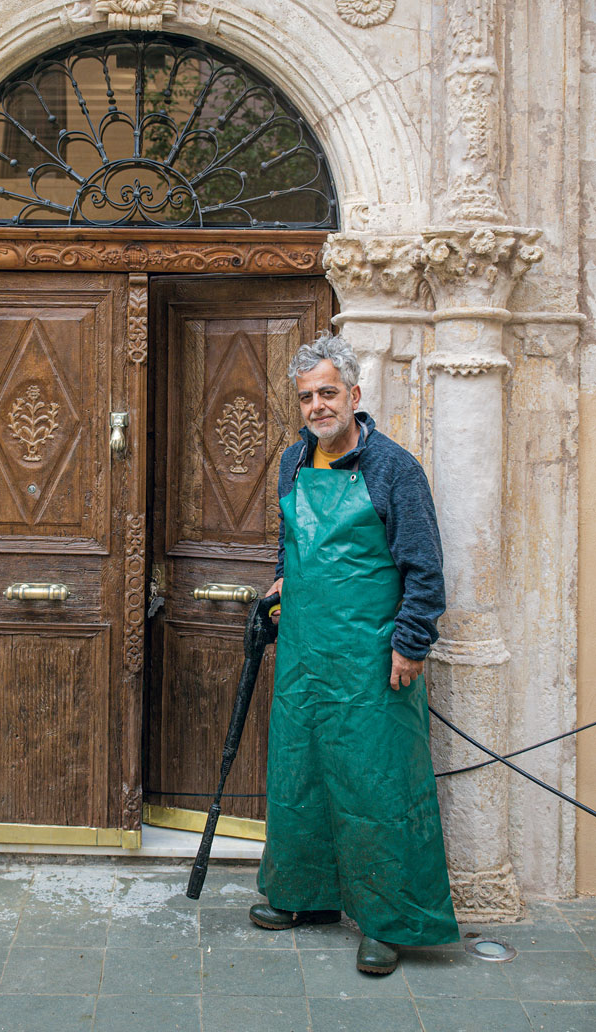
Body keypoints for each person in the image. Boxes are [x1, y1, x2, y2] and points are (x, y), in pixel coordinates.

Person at [250, 332, 459, 975]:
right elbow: (291, 540)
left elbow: (424, 569)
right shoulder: (292, 462)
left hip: (372, 660)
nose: (317, 405)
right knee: (302, 775)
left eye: (328, 392)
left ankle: (387, 922)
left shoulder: (395, 470)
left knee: (377, 784)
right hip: (307, 654)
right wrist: (284, 584)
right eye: (307, 396)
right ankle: (303, 897)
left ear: (355, 395)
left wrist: (411, 643)